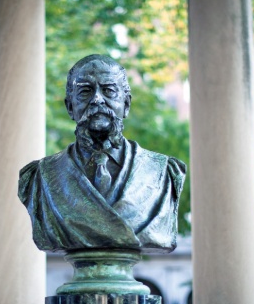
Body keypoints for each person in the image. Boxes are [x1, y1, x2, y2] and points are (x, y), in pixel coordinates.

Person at [18, 54, 186, 253]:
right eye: (85, 92)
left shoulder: (163, 172)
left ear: (126, 104)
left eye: (109, 91)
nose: (97, 99)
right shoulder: (41, 176)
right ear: (70, 107)